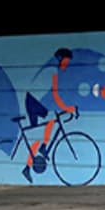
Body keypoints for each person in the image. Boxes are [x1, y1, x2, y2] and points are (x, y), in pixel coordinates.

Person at [22, 47, 78, 183]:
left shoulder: (52, 70)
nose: (67, 64)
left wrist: (63, 107)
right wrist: (67, 108)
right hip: (32, 101)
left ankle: (38, 154)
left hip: (33, 100)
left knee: (45, 127)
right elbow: (55, 95)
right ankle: (40, 151)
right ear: (60, 59)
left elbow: (53, 97)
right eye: (66, 61)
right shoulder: (52, 71)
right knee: (47, 123)